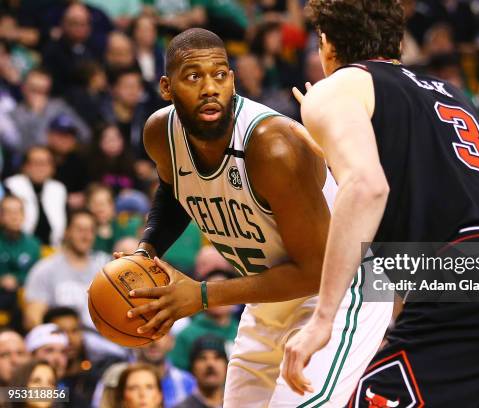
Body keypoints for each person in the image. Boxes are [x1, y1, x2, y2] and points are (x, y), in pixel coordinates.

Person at [281, 1, 479, 407]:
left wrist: (323, 319)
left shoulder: (336, 89)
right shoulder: (451, 94)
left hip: (477, 290)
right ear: (397, 40)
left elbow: (369, 188)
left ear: (327, 44)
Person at [120, 28, 392, 407]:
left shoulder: (272, 146)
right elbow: (175, 189)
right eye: (194, 77)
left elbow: (314, 270)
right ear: (167, 87)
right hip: (270, 295)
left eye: (220, 74)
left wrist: (200, 295)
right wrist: (146, 249)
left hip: (339, 291)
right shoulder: (159, 134)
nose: (210, 88)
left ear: (232, 79)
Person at [23, 209, 110, 330]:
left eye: (91, 231)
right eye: (80, 230)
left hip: (103, 339)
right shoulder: (45, 269)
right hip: (63, 340)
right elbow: (33, 318)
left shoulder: (107, 266)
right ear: (66, 232)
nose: (86, 236)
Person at [4, 146, 67, 247]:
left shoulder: (58, 189)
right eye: (35, 163)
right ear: (25, 166)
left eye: (45, 163)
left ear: (52, 167)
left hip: (53, 248)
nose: (40, 168)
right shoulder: (11, 185)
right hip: (19, 246)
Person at [174, 335, 227, 408]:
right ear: (192, 368)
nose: (210, 364)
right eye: (202, 358)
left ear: (227, 367)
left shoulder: (240, 404)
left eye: (217, 357)